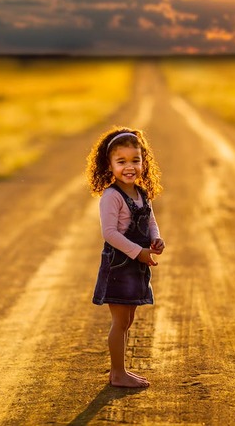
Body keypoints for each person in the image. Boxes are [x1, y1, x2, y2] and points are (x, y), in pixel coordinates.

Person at [86, 127, 165, 388]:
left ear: (144, 161)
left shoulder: (141, 193)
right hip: (119, 265)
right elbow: (109, 233)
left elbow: (150, 220)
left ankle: (121, 371)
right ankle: (118, 373)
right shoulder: (111, 196)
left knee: (128, 320)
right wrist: (138, 252)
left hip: (136, 262)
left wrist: (155, 239)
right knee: (120, 322)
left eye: (135, 160)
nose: (129, 167)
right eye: (121, 162)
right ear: (109, 166)